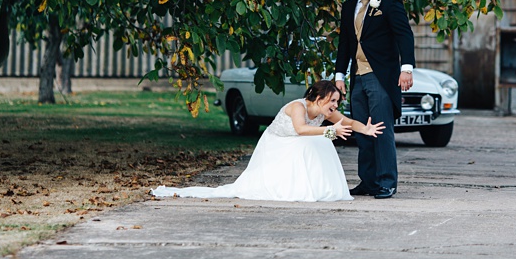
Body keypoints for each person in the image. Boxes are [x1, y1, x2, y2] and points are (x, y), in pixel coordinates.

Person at [152, 80, 383, 202]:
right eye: (332, 100)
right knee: (316, 140)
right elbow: (301, 130)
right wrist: (330, 131)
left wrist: (366, 128)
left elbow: (349, 122)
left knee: (321, 141)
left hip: (297, 143)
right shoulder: (298, 107)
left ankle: (322, 190)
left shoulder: (325, 112)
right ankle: (300, 189)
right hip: (278, 145)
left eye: (337, 102)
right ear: (319, 97)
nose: (335, 106)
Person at [333, 0, 415, 199]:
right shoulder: (349, 8)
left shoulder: (389, 3)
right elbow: (345, 43)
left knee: (381, 129)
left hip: (381, 75)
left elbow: (404, 35)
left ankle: (387, 182)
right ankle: (368, 181)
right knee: (362, 130)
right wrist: (339, 75)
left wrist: (406, 68)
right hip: (357, 75)